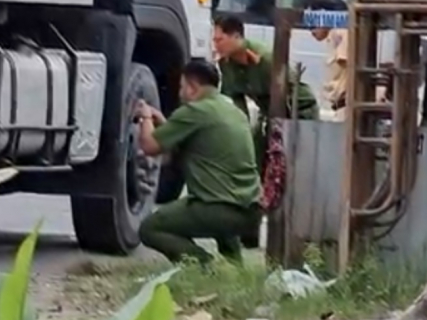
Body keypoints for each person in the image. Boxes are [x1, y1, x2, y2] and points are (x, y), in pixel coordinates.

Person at [134, 58, 262, 264]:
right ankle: (237, 270)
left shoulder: (194, 111)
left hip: (218, 209)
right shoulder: (233, 111)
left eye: (182, 87)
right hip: (250, 210)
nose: (180, 93)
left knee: (150, 228)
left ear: (193, 88)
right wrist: (164, 123)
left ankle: (203, 266)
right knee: (220, 202)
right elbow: (189, 143)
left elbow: (149, 146)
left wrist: (146, 117)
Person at [212, 15, 319, 172]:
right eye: (214, 41)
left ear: (236, 37)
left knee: (294, 164)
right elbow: (236, 101)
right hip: (269, 113)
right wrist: (241, 132)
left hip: (299, 110)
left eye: (220, 40)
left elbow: (289, 92)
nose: (216, 46)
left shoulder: (265, 58)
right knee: (255, 155)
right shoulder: (226, 63)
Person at [305, 0, 350, 121]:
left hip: (347, 106)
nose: (310, 28)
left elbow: (350, 66)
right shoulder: (333, 37)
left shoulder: (340, 33)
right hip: (341, 107)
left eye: (312, 21)